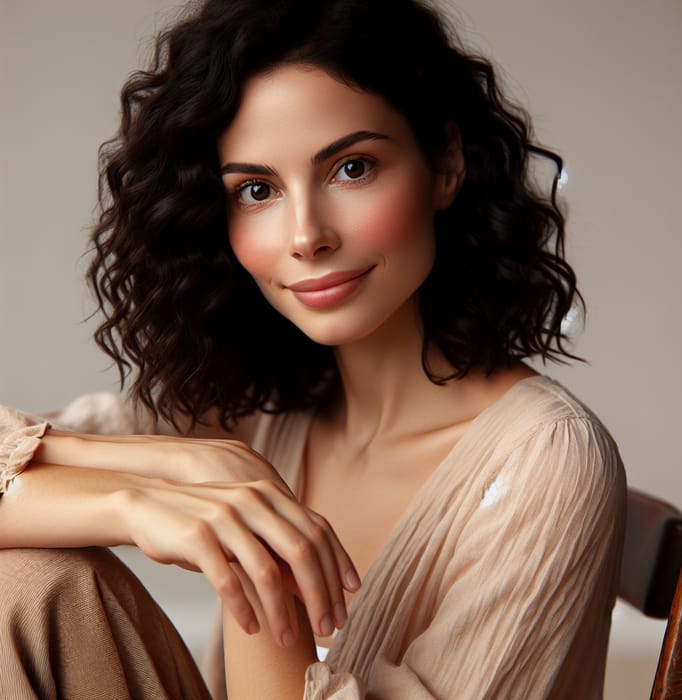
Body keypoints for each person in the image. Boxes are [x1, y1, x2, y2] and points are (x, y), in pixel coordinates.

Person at [0, 0, 626, 697]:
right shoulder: (253, 413)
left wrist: (258, 550)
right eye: (257, 189)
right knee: (30, 581)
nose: (306, 235)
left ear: (445, 164)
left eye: (352, 168)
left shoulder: (548, 459)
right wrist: (144, 487)